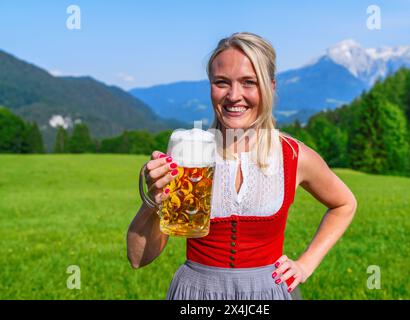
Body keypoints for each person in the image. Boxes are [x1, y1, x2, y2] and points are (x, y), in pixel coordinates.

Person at [126, 32, 357, 300]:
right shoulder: (187, 153)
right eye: (221, 83)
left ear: (270, 86)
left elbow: (344, 204)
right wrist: (153, 201)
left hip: (269, 294)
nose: (234, 96)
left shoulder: (293, 155)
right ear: (210, 86)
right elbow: (137, 258)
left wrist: (305, 265)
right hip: (198, 295)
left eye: (249, 82)